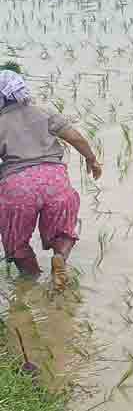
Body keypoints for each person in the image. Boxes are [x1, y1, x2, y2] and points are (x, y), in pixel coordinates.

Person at [0, 71, 102, 287]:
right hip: (54, 182)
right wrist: (91, 160)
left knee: (17, 243)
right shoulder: (44, 112)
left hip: (18, 186)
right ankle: (59, 258)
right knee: (63, 232)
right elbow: (76, 137)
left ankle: (31, 281)